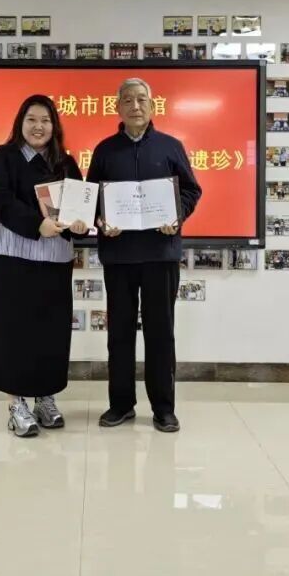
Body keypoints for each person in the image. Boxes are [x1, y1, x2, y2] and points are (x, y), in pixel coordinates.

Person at [87, 78, 202, 433]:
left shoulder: (171, 147)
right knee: (119, 334)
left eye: (141, 100)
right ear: (117, 107)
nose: (135, 106)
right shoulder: (105, 150)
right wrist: (101, 220)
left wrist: (176, 216)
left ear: (152, 106)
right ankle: (121, 404)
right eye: (127, 100)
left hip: (160, 255)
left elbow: (191, 190)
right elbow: (90, 198)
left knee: (160, 333)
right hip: (119, 257)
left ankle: (164, 408)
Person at [0, 95, 88, 438]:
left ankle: (45, 398)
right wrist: (36, 224)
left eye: (45, 120)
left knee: (50, 331)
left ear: (54, 126)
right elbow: (1, 200)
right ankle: (16, 404)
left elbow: (78, 210)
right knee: (13, 331)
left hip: (54, 258)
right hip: (12, 255)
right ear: (20, 123)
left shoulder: (65, 163)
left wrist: (80, 225)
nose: (38, 127)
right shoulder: (3, 156)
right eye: (31, 119)